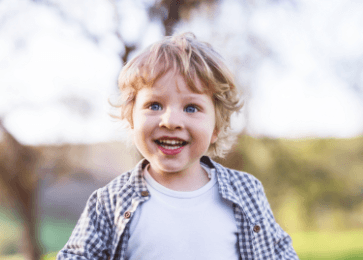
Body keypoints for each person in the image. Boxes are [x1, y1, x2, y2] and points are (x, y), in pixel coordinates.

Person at [57, 32, 299, 260]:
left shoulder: (246, 192)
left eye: (191, 108)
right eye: (154, 105)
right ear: (131, 119)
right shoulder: (110, 202)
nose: (171, 121)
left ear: (216, 127)